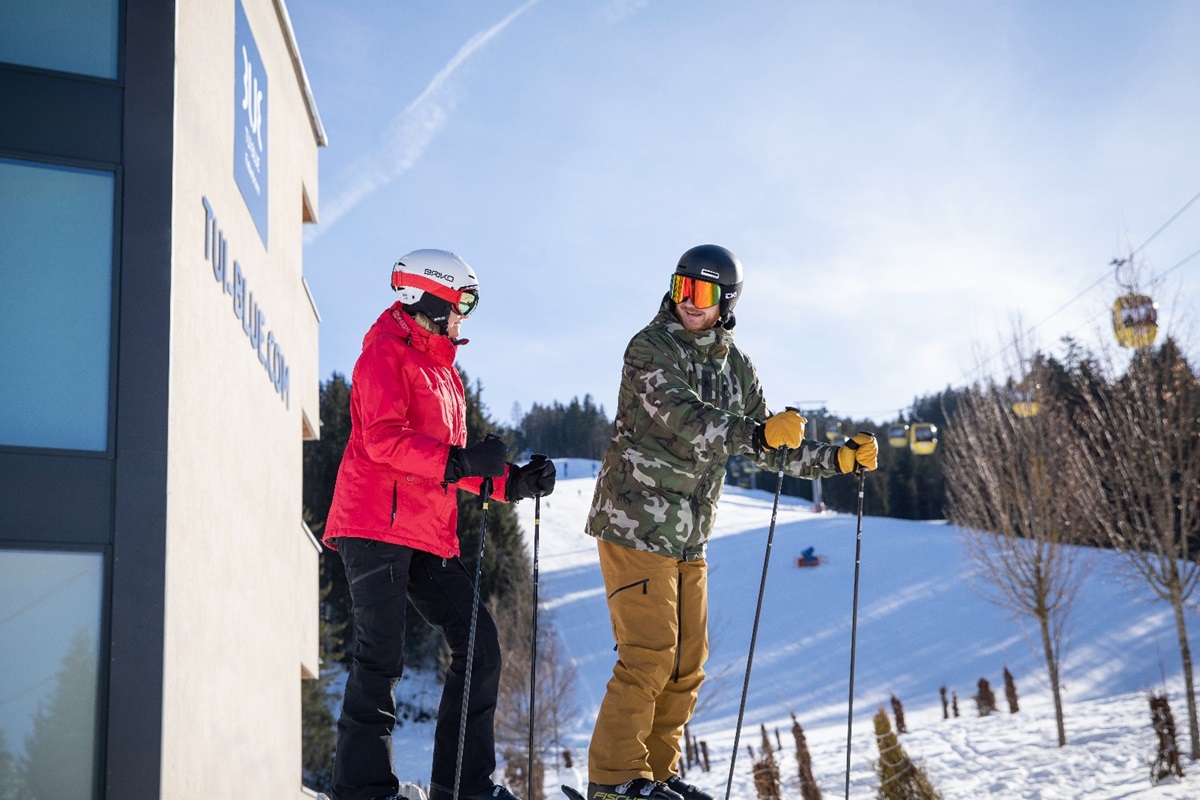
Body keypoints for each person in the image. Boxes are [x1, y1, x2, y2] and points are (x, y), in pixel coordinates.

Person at [583, 244, 878, 800]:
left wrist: (834, 459)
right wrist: (757, 434)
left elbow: (769, 441)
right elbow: (685, 418)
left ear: (727, 302)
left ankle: (657, 774)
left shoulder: (736, 367)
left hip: (689, 535)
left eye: (704, 293)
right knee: (648, 655)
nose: (690, 302)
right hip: (635, 522)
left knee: (686, 664)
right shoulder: (650, 347)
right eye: (682, 288)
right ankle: (615, 779)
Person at [323, 249, 557, 800]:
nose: (465, 316)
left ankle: (463, 785)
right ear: (429, 297)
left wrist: (511, 482)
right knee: (379, 657)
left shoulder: (444, 372)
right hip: (375, 522)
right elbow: (382, 440)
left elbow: (450, 465)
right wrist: (460, 461)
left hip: (427, 530)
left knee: (481, 645)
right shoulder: (383, 355)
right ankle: (361, 790)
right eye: (462, 303)